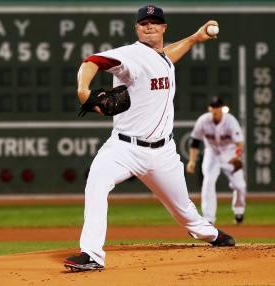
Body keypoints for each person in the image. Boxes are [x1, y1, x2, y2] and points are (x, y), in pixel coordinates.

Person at [63, 5, 235, 272]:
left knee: (184, 210)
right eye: (144, 23)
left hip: (163, 153)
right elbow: (92, 62)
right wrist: (83, 89)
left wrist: (194, 38)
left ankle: (209, 234)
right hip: (123, 148)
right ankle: (92, 254)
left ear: (164, 27)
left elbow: (167, 57)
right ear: (137, 28)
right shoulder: (130, 55)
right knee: (96, 183)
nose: (149, 26)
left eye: (155, 22)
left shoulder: (161, 57)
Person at [186, 96, 246, 225]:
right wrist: (192, 161)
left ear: (222, 109)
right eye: (213, 107)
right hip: (212, 154)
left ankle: (239, 210)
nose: (215, 110)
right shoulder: (203, 120)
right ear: (210, 108)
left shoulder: (230, 121)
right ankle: (209, 218)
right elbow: (195, 141)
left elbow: (240, 143)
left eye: (218, 107)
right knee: (208, 182)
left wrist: (237, 156)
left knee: (240, 186)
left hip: (230, 154)